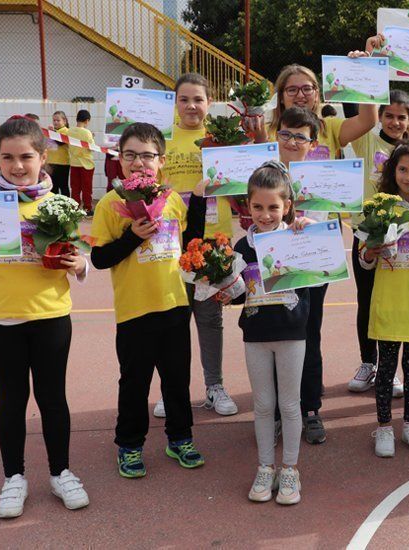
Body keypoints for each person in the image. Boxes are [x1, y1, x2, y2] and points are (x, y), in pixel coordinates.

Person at [0, 116, 90, 518]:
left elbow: (80, 260)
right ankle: (13, 477)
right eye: (7, 157)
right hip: (1, 318)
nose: (17, 166)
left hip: (51, 315)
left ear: (44, 157)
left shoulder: (59, 203)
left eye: (26, 156)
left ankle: (61, 471)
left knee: (52, 398)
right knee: (12, 400)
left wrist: (78, 263)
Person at [89, 122, 208, 478]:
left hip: (174, 305)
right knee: (134, 382)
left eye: (147, 155)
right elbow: (99, 259)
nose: (139, 162)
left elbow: (191, 240)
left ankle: (180, 438)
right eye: (130, 155)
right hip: (134, 310)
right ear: (119, 160)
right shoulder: (111, 204)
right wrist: (131, 237)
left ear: (161, 160)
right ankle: (129, 445)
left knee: (177, 379)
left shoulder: (170, 198)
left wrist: (200, 198)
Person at [152, 73, 238, 420]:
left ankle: (214, 386)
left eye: (198, 99)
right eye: (184, 99)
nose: (191, 106)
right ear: (175, 103)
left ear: (209, 103)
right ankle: (170, 390)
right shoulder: (160, 139)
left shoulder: (221, 139)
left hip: (212, 238)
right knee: (173, 319)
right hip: (169, 239)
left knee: (209, 316)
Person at [229, 161, 311, 505]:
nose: (265, 214)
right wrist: (220, 289)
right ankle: (266, 466)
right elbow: (235, 294)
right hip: (256, 335)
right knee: (263, 405)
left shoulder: (300, 236)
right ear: (247, 206)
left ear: (287, 207)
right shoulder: (240, 248)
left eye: (274, 207)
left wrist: (310, 231)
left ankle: (290, 469)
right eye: (258, 207)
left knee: (290, 405)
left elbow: (323, 269)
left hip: (292, 333)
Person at [361, 140, 409, 458]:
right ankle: (383, 427)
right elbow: (364, 259)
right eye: (403, 169)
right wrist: (371, 251)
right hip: (389, 300)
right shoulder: (378, 206)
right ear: (392, 171)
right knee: (387, 366)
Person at [346, 90, 409, 398]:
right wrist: (364, 68)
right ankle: (367, 362)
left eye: (402, 116)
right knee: (367, 301)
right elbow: (353, 108)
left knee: (396, 304)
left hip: (405, 243)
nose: (395, 121)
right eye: (389, 115)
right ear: (380, 117)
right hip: (367, 237)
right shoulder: (366, 141)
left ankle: (391, 368)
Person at [273, 107, 329, 444]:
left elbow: (332, 222)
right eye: (286, 134)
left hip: (312, 269)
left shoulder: (323, 176)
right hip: (275, 268)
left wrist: (312, 225)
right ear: (276, 134)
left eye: (300, 136)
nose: (292, 141)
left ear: (313, 142)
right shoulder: (264, 172)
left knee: (310, 337)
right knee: (276, 338)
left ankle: (310, 409)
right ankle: (279, 411)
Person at [67, 110, 96, 215]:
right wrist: (92, 137)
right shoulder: (87, 133)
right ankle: (87, 208)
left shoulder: (69, 131)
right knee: (87, 188)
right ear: (87, 120)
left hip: (74, 163)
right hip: (86, 164)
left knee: (75, 188)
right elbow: (92, 148)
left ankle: (74, 208)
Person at [47, 111, 70, 197]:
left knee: (63, 186)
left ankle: (67, 205)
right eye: (54, 120)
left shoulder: (66, 131)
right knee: (53, 187)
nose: (55, 122)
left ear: (64, 121)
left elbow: (60, 142)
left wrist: (53, 133)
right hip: (51, 163)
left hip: (62, 163)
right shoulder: (53, 132)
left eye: (58, 120)